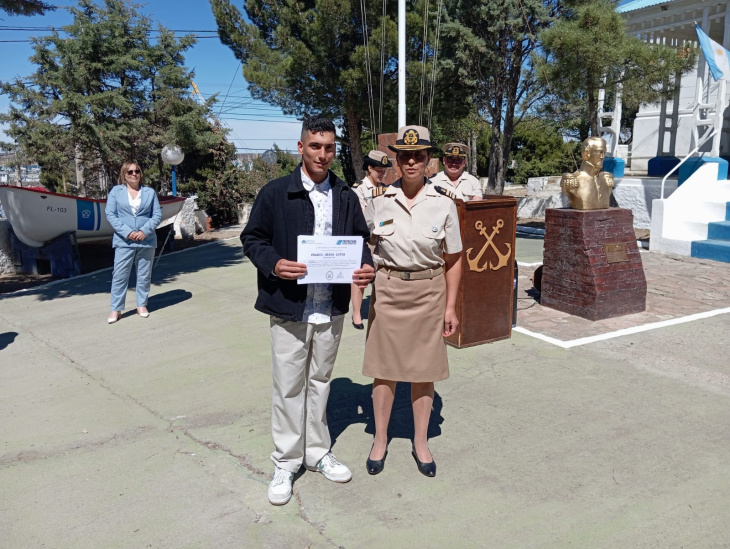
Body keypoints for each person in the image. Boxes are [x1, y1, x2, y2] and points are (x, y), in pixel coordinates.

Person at [240, 116, 376, 506]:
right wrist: (273, 263)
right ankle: (286, 462)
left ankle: (317, 453)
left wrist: (365, 266)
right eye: (315, 146)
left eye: (329, 147)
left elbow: (360, 241)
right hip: (289, 306)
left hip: (330, 307)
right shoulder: (275, 192)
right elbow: (253, 238)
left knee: (320, 381)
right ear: (301, 147)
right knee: (288, 386)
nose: (322, 154)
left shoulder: (345, 194)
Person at [362, 125, 462, 477]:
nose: (411, 162)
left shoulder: (444, 203)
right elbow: (365, 250)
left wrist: (450, 307)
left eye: (418, 155)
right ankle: (380, 439)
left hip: (429, 292)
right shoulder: (378, 202)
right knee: (384, 370)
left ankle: (421, 441)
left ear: (429, 160)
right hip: (388, 292)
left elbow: (453, 259)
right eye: (405, 156)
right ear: (397, 160)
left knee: (424, 371)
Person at [106, 162, 162, 324]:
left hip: (146, 240)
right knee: (119, 275)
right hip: (124, 241)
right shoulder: (116, 192)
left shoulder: (150, 192)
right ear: (124, 175)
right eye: (129, 172)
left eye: (137, 171)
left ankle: (141, 305)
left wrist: (144, 231)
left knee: (144, 274)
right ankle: (116, 309)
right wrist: (127, 232)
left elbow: (157, 215)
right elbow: (110, 214)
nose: (134, 174)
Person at [350, 150, 393, 329]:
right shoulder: (359, 189)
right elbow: (361, 215)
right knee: (361, 277)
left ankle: (380, 311)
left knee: (382, 276)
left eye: (384, 170)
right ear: (369, 168)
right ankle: (357, 314)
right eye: (379, 170)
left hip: (383, 238)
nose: (382, 173)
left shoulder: (387, 189)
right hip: (365, 238)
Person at [560, 136, 614, 210]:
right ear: (586, 153)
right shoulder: (573, 180)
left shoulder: (605, 179)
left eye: (604, 152)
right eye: (599, 152)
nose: (602, 157)